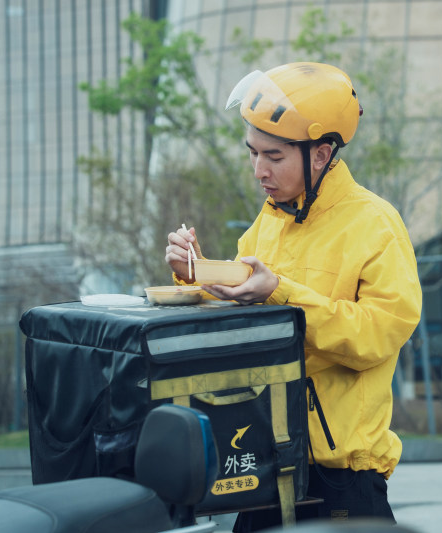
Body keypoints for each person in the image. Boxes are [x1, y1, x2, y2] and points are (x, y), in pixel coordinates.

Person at [164, 62, 423, 531]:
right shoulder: (268, 224)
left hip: (343, 477)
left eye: (274, 156)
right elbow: (237, 328)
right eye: (252, 153)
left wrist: (281, 293)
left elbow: (378, 336)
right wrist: (197, 274)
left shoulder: (376, 223)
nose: (259, 170)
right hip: (267, 457)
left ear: (321, 154)